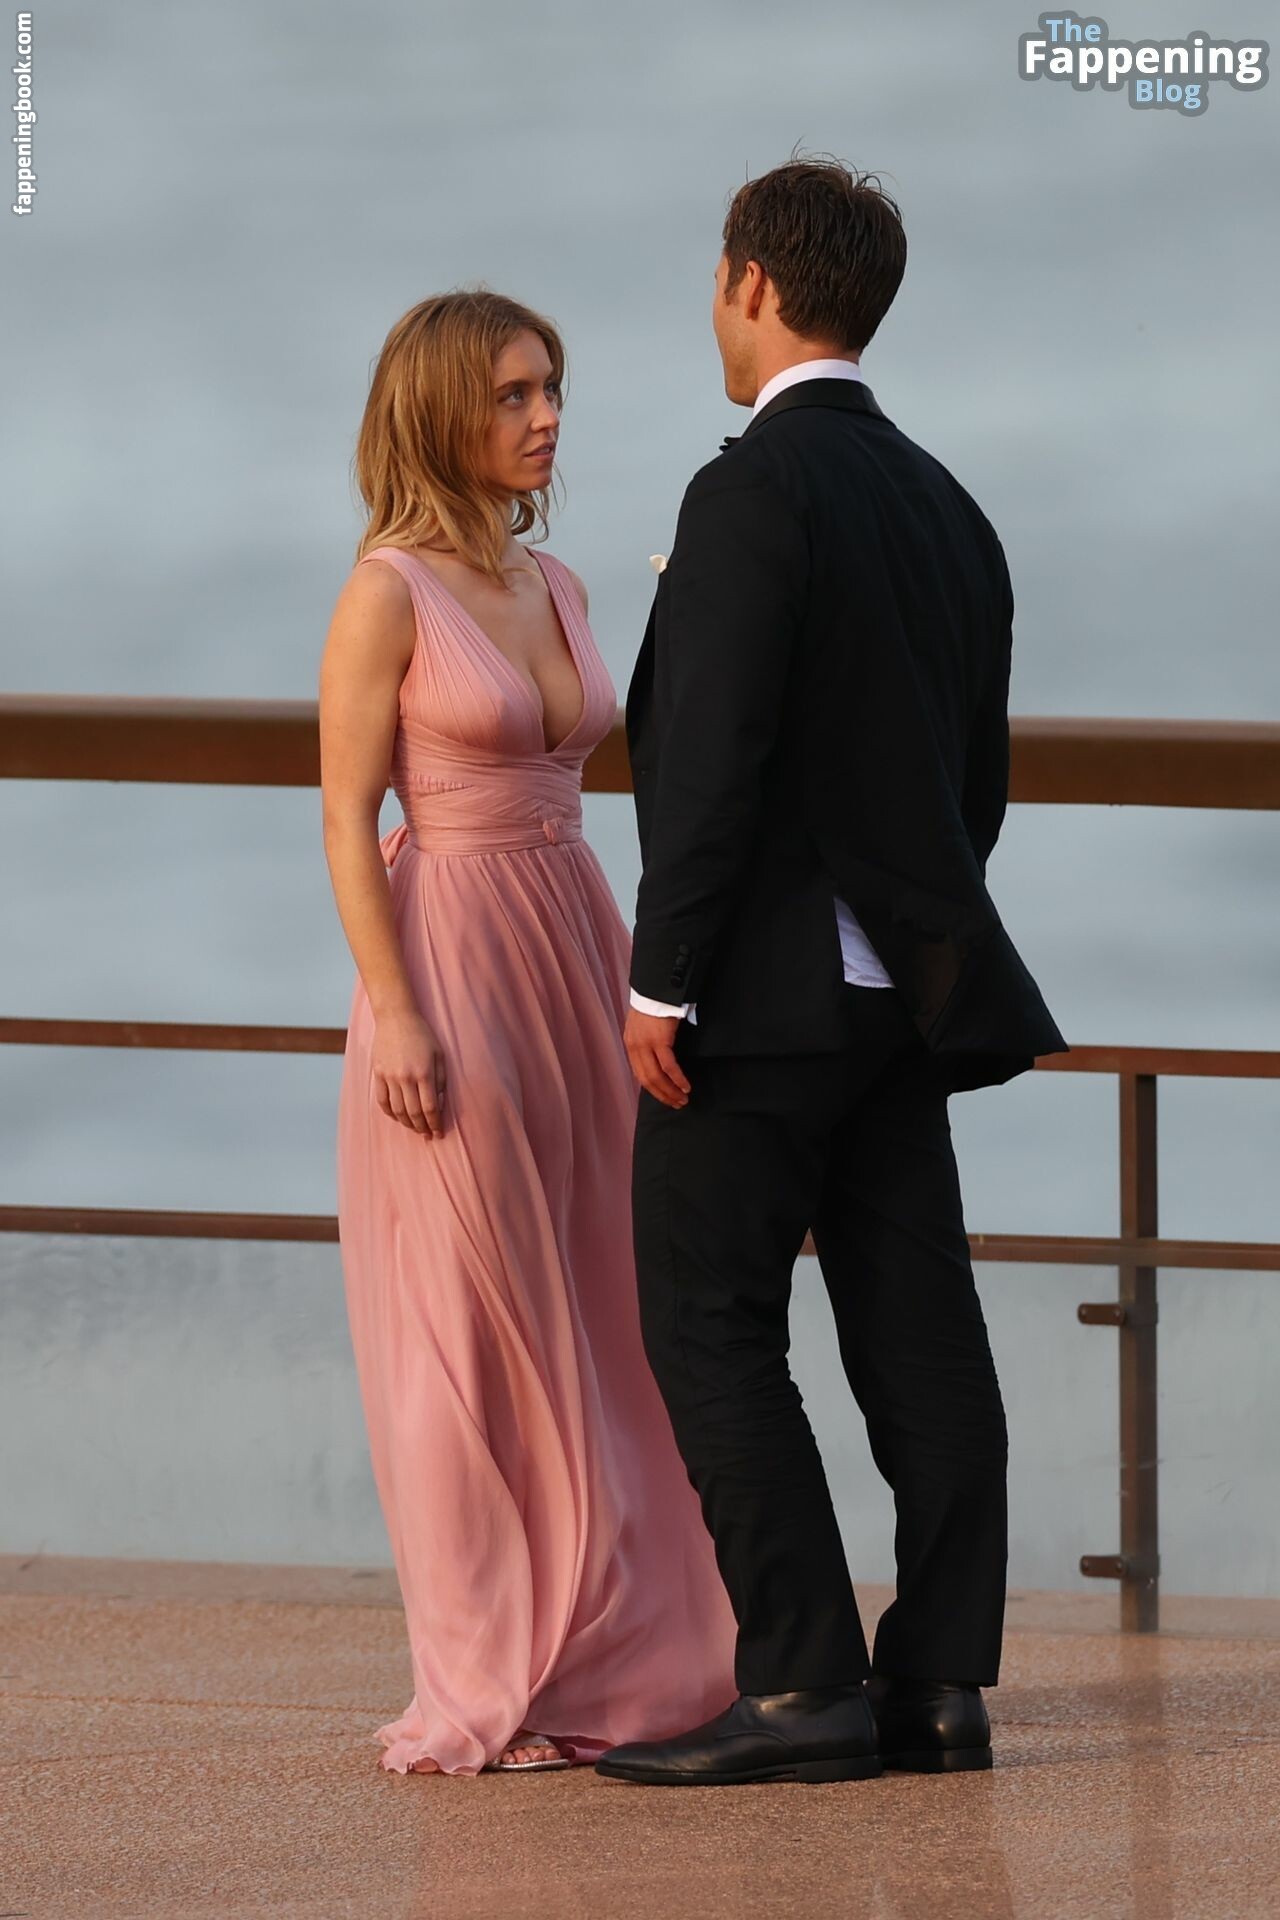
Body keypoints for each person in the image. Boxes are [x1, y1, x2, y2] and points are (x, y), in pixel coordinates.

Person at [598, 157, 1068, 1788]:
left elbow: (711, 759)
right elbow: (975, 782)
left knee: (708, 1319)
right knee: (918, 1330)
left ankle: (803, 1684)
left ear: (751, 283)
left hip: (756, 1002)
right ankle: (937, 1686)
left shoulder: (749, 492)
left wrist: (663, 980)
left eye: (716, 285)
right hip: (903, 1004)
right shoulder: (949, 508)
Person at [320, 290, 737, 1777]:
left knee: (608, 1287)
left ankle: (627, 1640)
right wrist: (399, 1015)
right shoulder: (385, 594)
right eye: (513, 394)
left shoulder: (555, 579)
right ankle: (489, 1655)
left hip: (576, 936)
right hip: (451, 959)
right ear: (442, 411)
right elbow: (344, 820)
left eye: (551, 388)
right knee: (476, 1310)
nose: (547, 416)